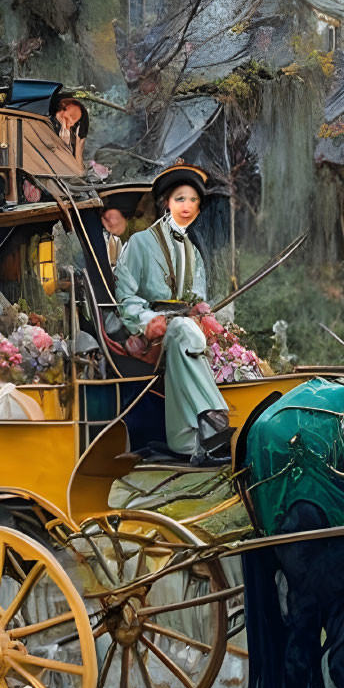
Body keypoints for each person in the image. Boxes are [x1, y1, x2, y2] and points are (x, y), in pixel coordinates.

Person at [115, 164, 232, 466]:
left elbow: (199, 301)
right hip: (147, 334)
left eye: (193, 201)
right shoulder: (140, 242)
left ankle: (185, 441)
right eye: (180, 199)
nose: (187, 207)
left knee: (192, 331)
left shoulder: (192, 251)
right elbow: (125, 298)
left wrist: (203, 316)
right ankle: (215, 418)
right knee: (181, 330)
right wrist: (145, 322)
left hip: (182, 333)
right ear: (166, 202)